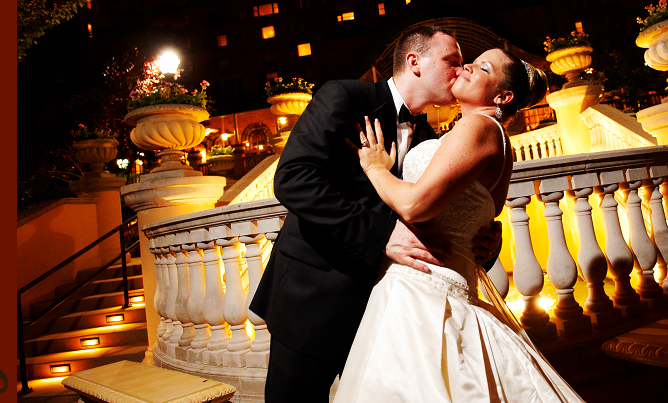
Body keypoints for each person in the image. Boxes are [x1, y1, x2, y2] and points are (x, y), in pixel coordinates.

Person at [249, 25, 503, 402]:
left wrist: (482, 241)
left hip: (385, 306)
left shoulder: (431, 138)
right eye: (453, 60)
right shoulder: (344, 96)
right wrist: (382, 235)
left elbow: (438, 209)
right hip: (312, 293)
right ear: (415, 62)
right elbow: (293, 180)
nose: (460, 70)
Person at [334, 48, 585, 402]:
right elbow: (478, 214)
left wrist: (374, 167)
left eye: (481, 67)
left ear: (502, 97)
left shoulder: (480, 125)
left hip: (424, 288)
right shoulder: (488, 134)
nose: (466, 66)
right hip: (437, 282)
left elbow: (414, 204)